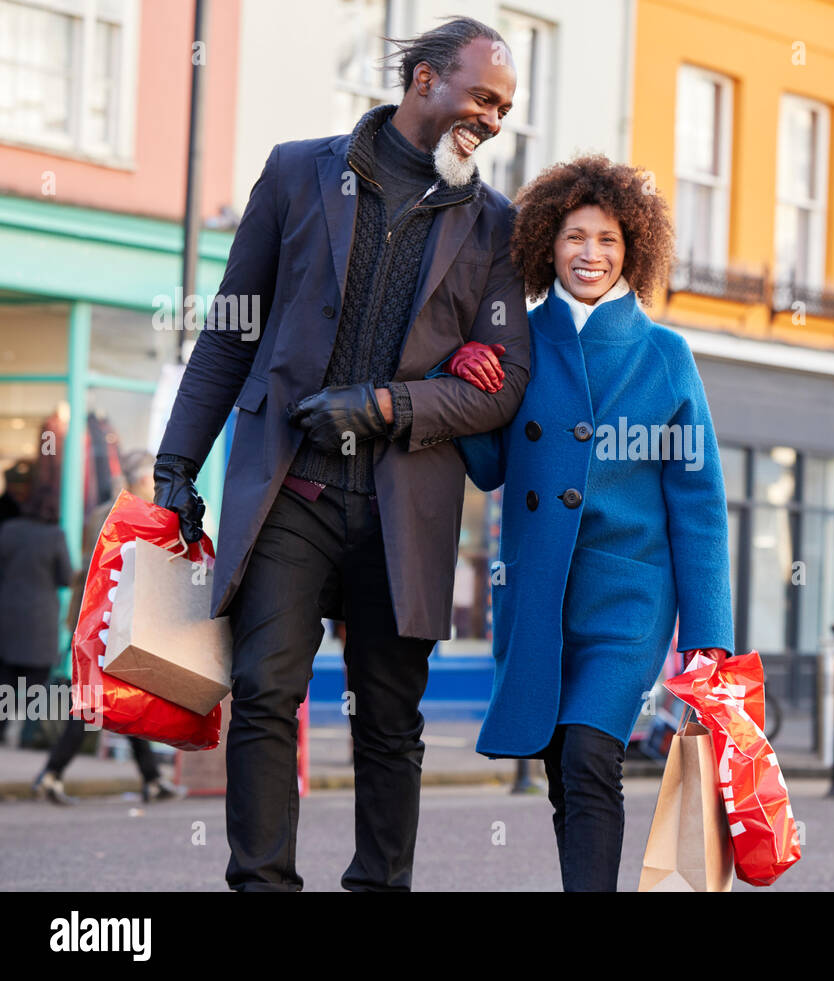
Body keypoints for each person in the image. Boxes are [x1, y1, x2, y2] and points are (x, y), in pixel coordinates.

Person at [151, 17, 529, 891]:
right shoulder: (295, 171)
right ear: (425, 80)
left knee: (390, 722)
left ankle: (378, 886)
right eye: (483, 96)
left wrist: (388, 404)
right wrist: (178, 463)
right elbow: (229, 331)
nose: (495, 120)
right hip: (291, 491)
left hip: (407, 508)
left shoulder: (496, 226)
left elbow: (503, 382)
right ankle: (262, 883)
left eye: (506, 108)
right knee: (265, 690)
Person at [452, 154, 734, 891]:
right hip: (541, 592)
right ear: (548, 243)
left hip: (628, 599)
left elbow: (699, 504)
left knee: (588, 751)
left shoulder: (665, 356)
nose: (590, 254)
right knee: (559, 763)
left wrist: (708, 641)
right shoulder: (519, 338)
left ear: (631, 250)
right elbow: (487, 467)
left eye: (608, 240)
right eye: (576, 237)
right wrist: (466, 378)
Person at [31, 450, 186, 805]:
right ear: (143, 481)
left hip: (101, 622)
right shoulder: (138, 518)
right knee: (96, 702)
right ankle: (52, 774)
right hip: (117, 624)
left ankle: (150, 779)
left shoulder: (103, 514)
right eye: (153, 481)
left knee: (122, 701)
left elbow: (84, 575)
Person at [0, 478, 70, 760]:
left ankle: (2, 728)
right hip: (40, 619)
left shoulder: (8, 530)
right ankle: (27, 737)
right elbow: (65, 577)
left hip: (7, 614)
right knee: (34, 683)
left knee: (4, 678)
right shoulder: (55, 536)